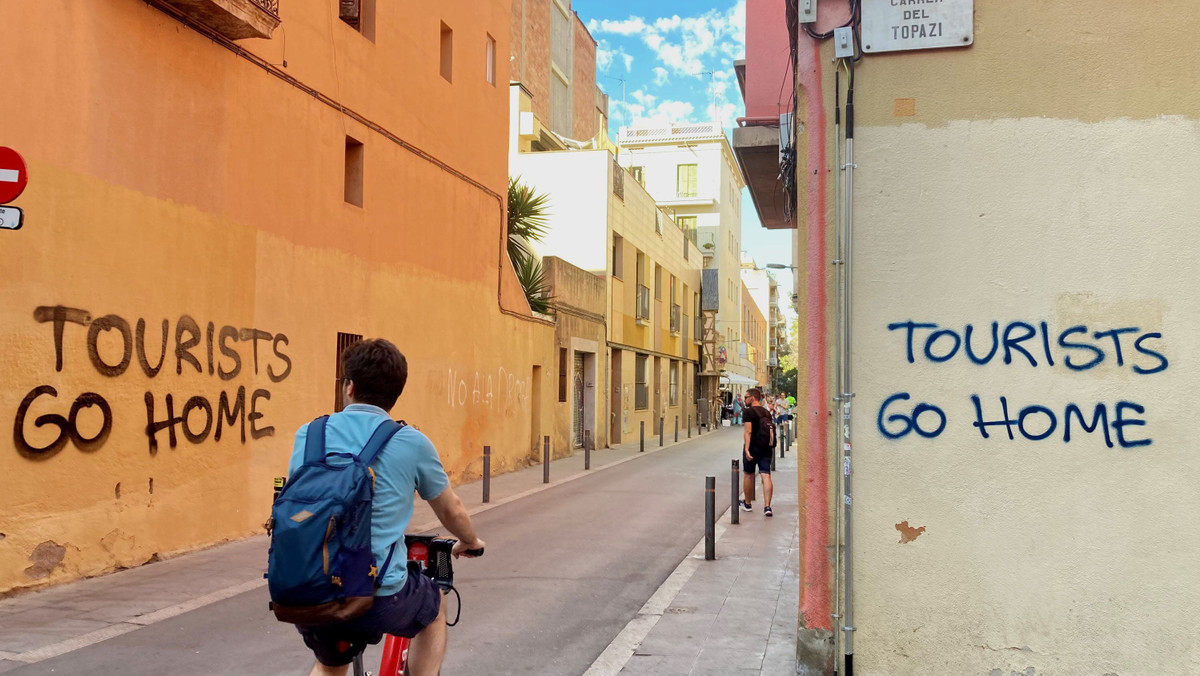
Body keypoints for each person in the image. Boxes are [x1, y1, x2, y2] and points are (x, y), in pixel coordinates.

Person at [288, 338, 486, 676]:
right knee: (434, 606)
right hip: (379, 595)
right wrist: (470, 541)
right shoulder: (411, 442)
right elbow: (451, 510)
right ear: (396, 394)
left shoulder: (309, 434)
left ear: (350, 386)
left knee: (330, 663)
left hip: (311, 590)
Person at [740, 388, 775, 517]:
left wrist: (747, 449)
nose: (745, 400)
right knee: (766, 475)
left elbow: (748, 431)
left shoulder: (748, 412)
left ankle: (747, 503)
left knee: (748, 474)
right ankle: (767, 507)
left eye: (746, 397)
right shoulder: (766, 412)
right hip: (766, 447)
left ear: (752, 398)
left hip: (753, 447)